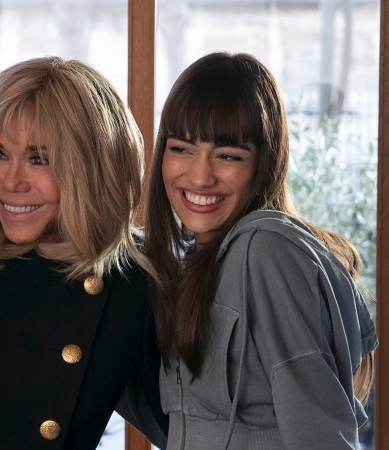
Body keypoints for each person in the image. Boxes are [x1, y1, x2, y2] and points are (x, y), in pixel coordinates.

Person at [143, 51, 378, 449]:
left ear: (264, 163)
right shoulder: (197, 265)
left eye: (229, 156)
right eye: (181, 148)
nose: (200, 175)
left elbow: (323, 436)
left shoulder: (265, 252)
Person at [0, 56, 167, 449]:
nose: (11, 182)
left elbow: (195, 425)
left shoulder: (135, 280)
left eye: (40, 159)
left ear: (94, 169)